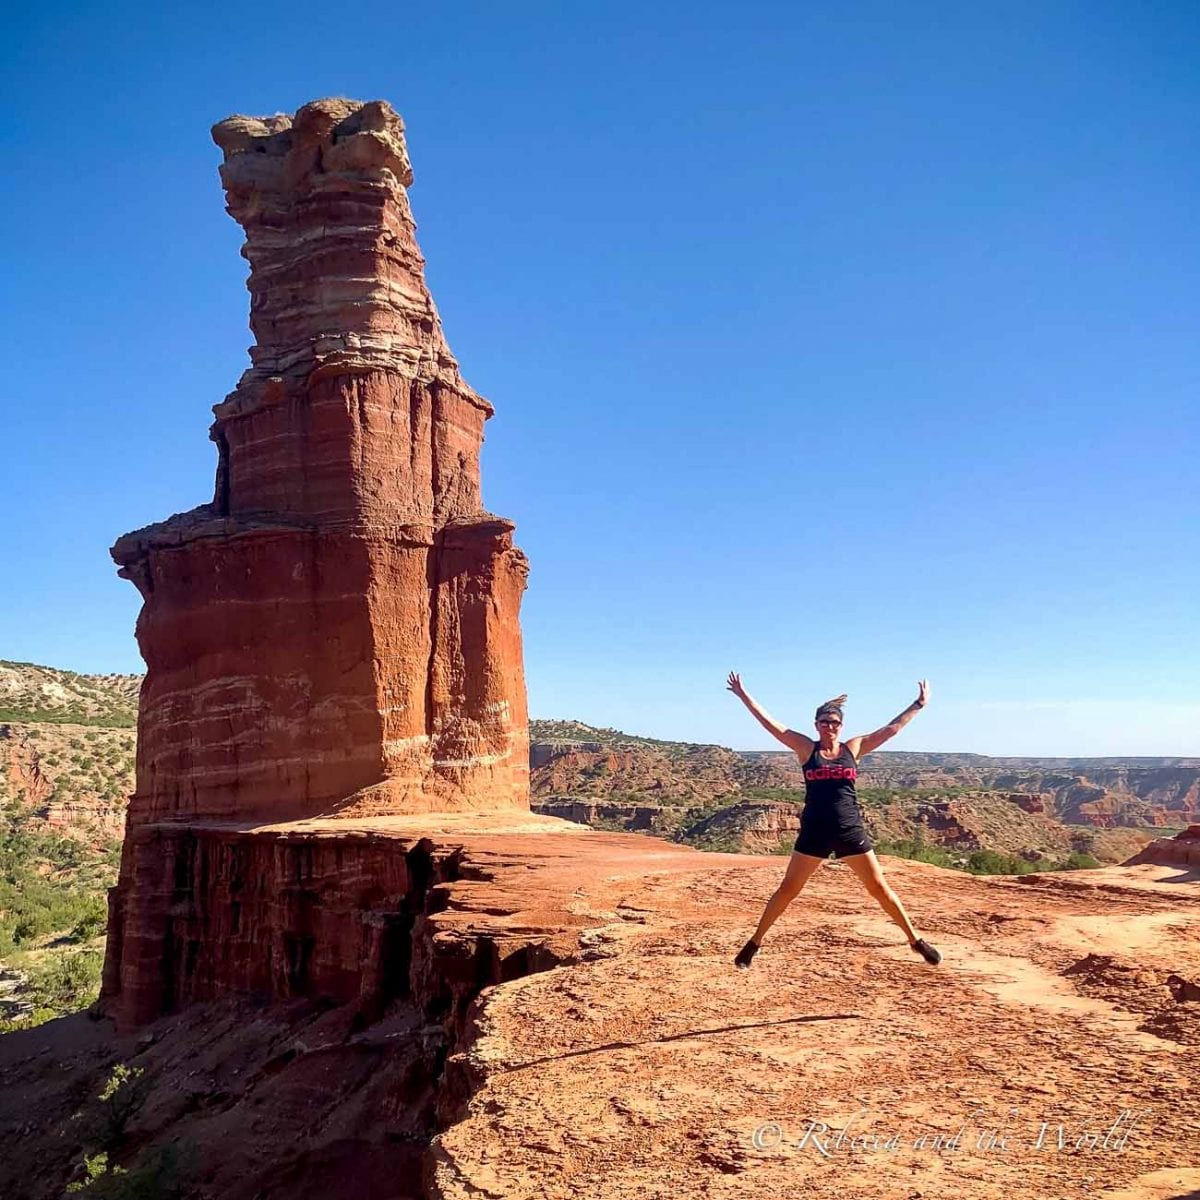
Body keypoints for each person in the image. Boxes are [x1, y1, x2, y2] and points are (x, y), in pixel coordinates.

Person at [726, 672, 941, 968]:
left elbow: (891, 730)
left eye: (835, 722)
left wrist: (918, 704)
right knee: (788, 889)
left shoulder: (853, 748)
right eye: (825, 722)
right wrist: (744, 696)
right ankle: (755, 942)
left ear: (841, 726)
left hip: (849, 831)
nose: (830, 727)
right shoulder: (806, 749)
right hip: (814, 832)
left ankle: (915, 940)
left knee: (878, 887)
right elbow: (770, 723)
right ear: (816, 725)